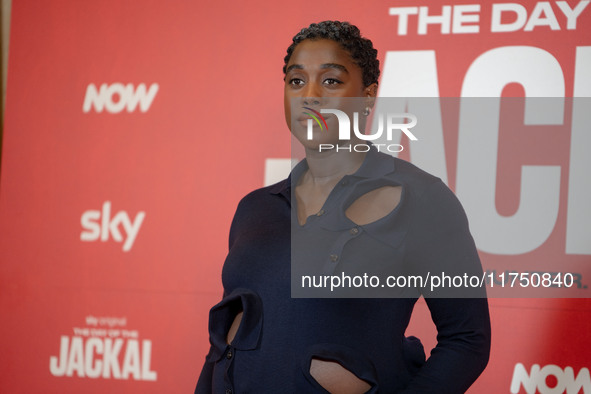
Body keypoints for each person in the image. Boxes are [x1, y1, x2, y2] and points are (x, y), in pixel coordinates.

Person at [195, 21, 491, 393]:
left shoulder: (422, 198)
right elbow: (224, 340)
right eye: (296, 81)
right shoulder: (255, 207)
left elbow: (467, 340)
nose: (310, 96)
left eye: (331, 81)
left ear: (368, 96)